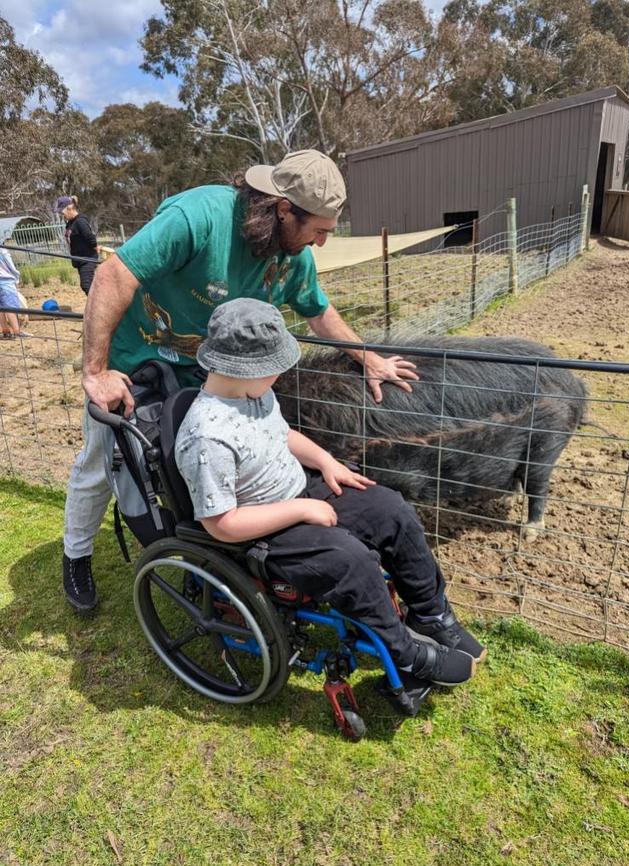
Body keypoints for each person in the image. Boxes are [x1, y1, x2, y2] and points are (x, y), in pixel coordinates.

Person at [63, 149, 419, 614]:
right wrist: (96, 371)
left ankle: (209, 556)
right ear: (284, 209)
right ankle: (76, 555)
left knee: (218, 460)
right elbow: (113, 275)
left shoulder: (291, 257)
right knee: (102, 462)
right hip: (135, 361)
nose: (323, 243)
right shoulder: (199, 216)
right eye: (319, 231)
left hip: (215, 371)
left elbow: (318, 311)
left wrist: (368, 358)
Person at [175, 298, 486, 690]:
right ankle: (404, 651)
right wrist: (301, 509)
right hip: (264, 530)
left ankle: (431, 613)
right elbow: (221, 524)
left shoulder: (252, 394)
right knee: (352, 561)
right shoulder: (207, 438)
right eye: (273, 369)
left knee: (392, 510)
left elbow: (282, 435)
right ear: (245, 369)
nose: (279, 376)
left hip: (301, 490)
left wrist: (326, 462)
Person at [56, 195, 99, 295]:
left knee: (87, 285)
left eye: (62, 213)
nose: (62, 216)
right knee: (88, 286)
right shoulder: (70, 223)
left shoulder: (80, 222)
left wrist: (95, 247)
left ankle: (101, 307)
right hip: (79, 260)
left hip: (87, 259)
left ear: (70, 208)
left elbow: (90, 238)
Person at [0, 246, 28, 339]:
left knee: (1, 308)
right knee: (10, 307)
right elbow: (11, 267)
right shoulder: (3, 251)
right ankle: (17, 332)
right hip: (6, 281)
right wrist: (16, 278)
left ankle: (5, 331)